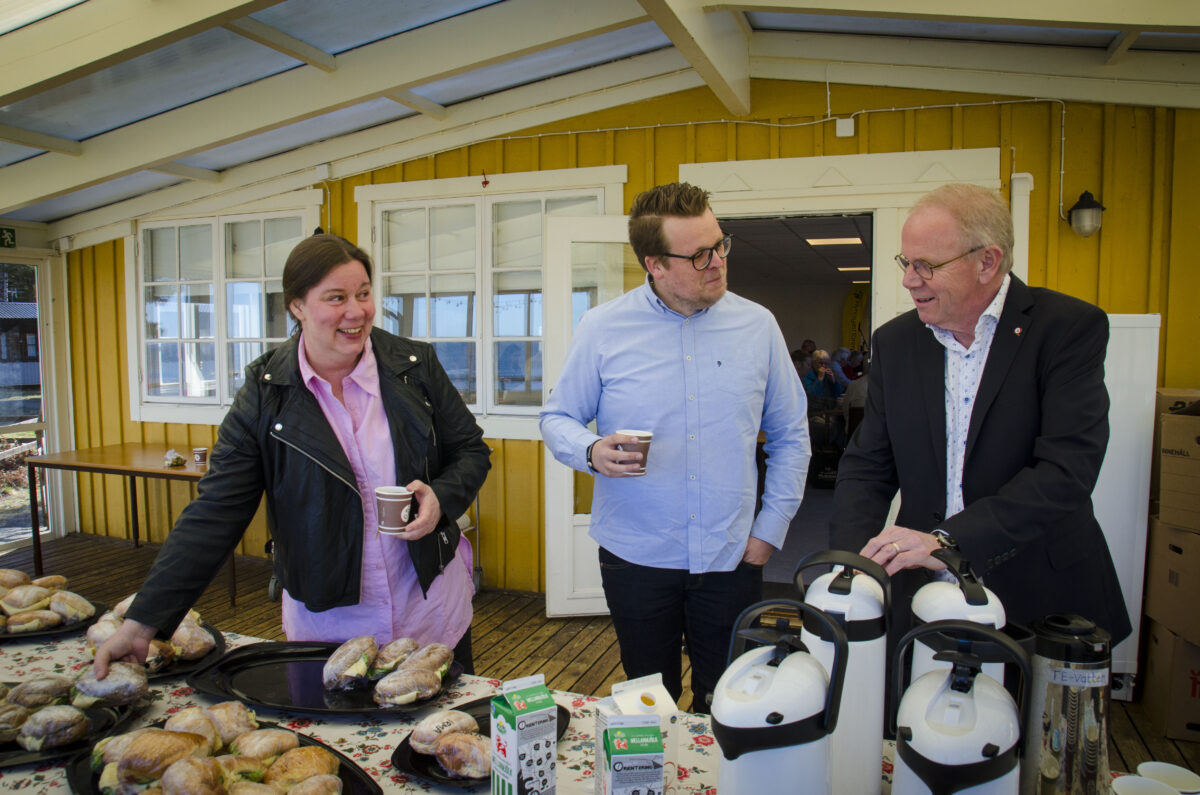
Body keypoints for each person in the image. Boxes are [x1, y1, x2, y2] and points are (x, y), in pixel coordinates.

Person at [95, 234, 491, 676]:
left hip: (432, 610)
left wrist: (441, 498)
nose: (357, 311)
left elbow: (470, 450)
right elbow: (215, 511)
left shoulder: (414, 366)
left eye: (363, 294)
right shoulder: (265, 396)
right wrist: (142, 624)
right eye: (336, 298)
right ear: (297, 307)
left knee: (439, 737)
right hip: (330, 627)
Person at [540, 182, 810, 712]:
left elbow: (791, 434)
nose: (718, 262)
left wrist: (769, 531)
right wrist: (591, 450)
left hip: (731, 554)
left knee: (728, 698)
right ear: (655, 264)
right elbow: (557, 416)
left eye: (720, 244)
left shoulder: (758, 326)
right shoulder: (603, 327)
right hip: (635, 552)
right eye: (699, 255)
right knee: (646, 697)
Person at [830, 183, 1130, 644]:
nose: (909, 279)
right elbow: (868, 464)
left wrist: (950, 541)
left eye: (926, 265)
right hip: (923, 594)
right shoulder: (896, 342)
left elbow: (1067, 470)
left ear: (987, 262)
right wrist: (851, 563)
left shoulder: (1066, 329)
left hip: (1038, 593)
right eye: (905, 263)